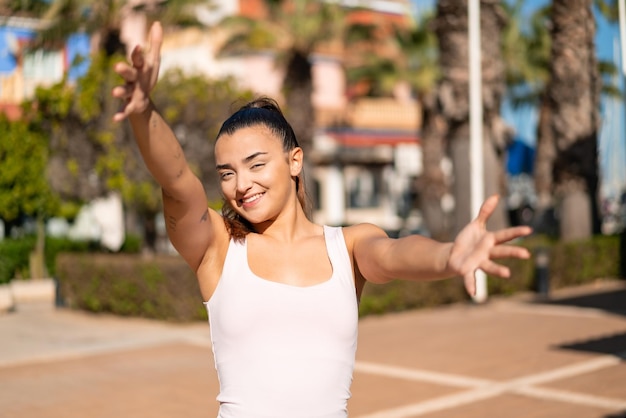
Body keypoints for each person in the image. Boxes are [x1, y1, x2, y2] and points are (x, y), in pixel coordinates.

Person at [112, 22, 532, 418]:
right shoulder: (218, 249)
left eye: (256, 164)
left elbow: (394, 253)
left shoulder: (347, 246)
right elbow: (178, 180)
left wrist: (448, 256)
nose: (241, 184)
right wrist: (143, 112)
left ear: (295, 161)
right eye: (226, 172)